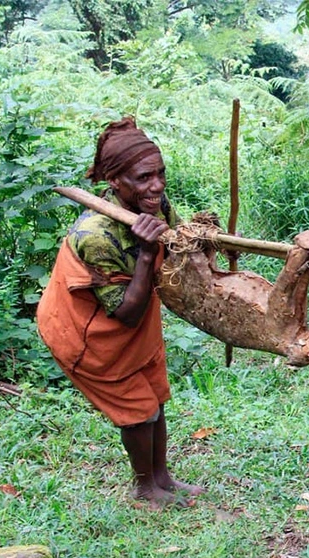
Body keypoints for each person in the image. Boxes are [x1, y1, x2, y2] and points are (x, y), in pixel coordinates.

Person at [36, 117, 202, 508]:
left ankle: (163, 478)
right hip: (90, 336)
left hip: (137, 327)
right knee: (139, 412)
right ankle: (145, 488)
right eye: (144, 178)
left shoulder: (157, 206)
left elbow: (178, 247)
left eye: (160, 174)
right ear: (115, 183)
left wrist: (203, 240)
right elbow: (125, 312)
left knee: (157, 400)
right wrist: (146, 253)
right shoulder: (95, 236)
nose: (157, 186)